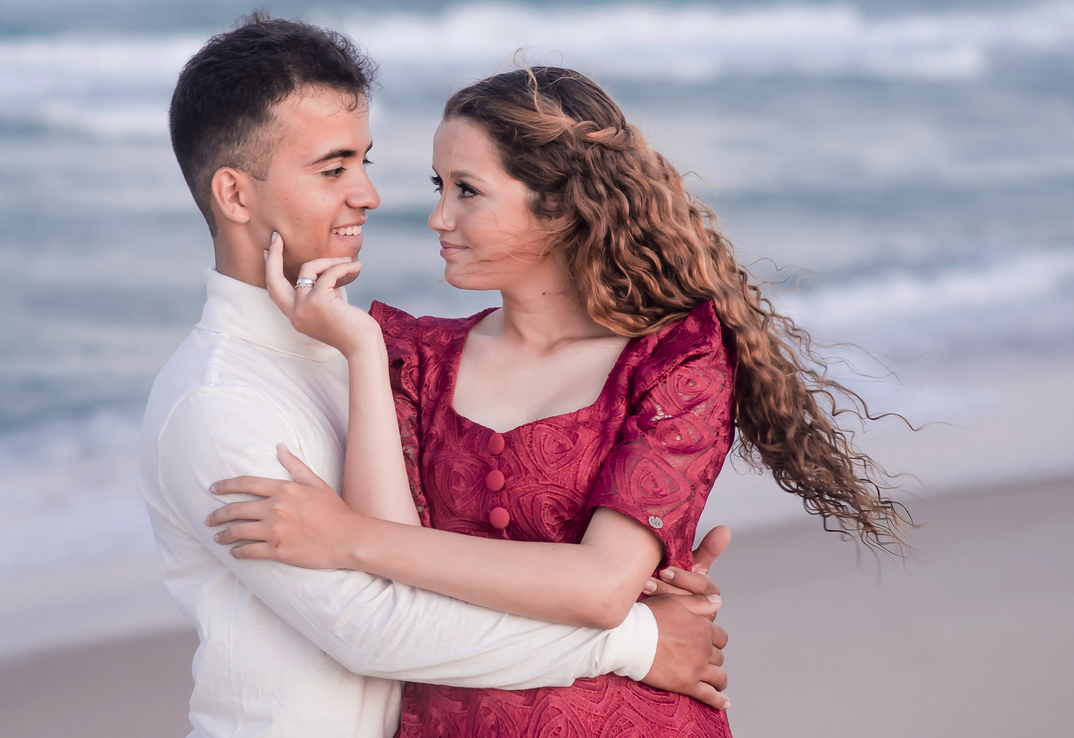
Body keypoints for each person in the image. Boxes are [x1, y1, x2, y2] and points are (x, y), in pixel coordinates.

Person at [207, 66, 908, 736]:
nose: (437, 217)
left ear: (563, 204)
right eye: (437, 185)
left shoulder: (674, 359)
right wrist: (359, 351)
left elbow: (601, 586)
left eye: (467, 191)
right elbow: (400, 593)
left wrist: (346, 537)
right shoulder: (409, 359)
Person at [140, 16, 731, 738]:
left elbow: (434, 550)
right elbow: (376, 625)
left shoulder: (360, 352)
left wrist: (647, 570)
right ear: (235, 196)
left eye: (366, 162)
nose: (370, 197)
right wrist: (640, 640)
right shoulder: (219, 403)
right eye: (333, 169)